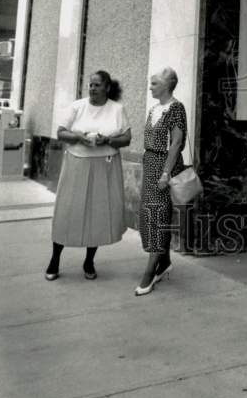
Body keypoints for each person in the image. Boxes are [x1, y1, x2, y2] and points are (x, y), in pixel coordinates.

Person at [45, 70, 132, 280]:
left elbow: (127, 138)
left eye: (97, 85)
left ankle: (89, 261)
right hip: (77, 162)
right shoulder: (77, 106)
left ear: (107, 88)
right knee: (67, 211)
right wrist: (78, 137)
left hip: (106, 165)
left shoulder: (117, 109)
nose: (92, 88)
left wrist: (108, 141)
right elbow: (60, 132)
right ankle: (55, 259)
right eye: (90, 85)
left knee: (97, 213)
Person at [135, 67, 188, 296]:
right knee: (149, 214)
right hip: (150, 165)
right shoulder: (154, 108)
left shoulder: (176, 108)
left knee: (157, 216)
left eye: (154, 83)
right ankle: (164, 262)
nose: (150, 86)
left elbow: (176, 144)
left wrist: (166, 174)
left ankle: (149, 273)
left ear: (167, 86)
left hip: (163, 167)